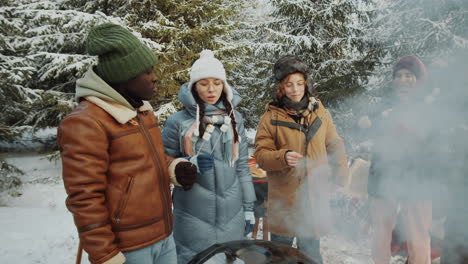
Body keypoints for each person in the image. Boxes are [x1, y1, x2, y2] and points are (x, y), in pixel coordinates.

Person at [57, 23, 198, 264]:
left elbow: (148, 159)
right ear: (123, 77)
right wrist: (105, 254)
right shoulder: (86, 122)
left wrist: (173, 167)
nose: (154, 78)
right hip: (128, 247)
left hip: (162, 234)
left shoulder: (141, 111)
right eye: (146, 71)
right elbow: (85, 197)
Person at [162, 50, 256, 264]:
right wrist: (187, 165)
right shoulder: (178, 122)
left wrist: (249, 207)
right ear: (194, 86)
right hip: (192, 216)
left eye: (217, 82)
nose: (211, 89)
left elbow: (241, 166)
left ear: (224, 85)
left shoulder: (234, 119)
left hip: (232, 215)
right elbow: (163, 165)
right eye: (204, 83)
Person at [254, 55, 350, 263]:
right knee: (280, 257)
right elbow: (261, 155)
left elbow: (335, 145)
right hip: (285, 203)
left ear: (306, 84)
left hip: (312, 201)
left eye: (299, 83)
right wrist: (283, 157)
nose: (295, 89)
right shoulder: (270, 118)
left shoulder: (320, 113)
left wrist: (340, 177)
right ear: (281, 87)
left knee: (311, 256)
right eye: (289, 85)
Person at [368, 55, 434, 264]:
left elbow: (437, 143)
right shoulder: (383, 105)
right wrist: (369, 124)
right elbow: (371, 134)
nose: (403, 80)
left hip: (419, 176)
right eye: (399, 76)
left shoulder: (430, 104)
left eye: (409, 75)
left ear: (419, 79)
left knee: (418, 236)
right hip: (383, 175)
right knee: (380, 232)